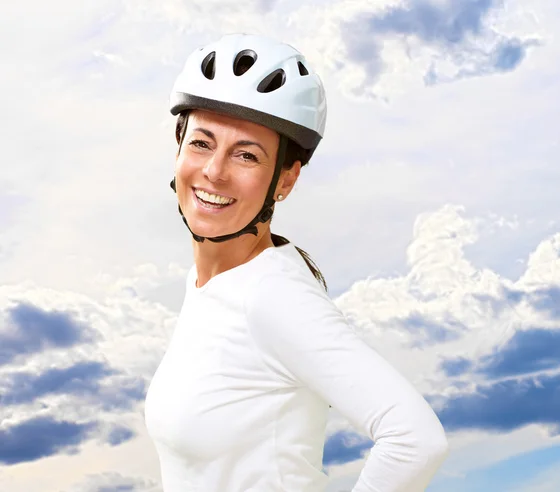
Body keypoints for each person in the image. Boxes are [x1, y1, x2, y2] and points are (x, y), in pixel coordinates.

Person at [144, 33, 449, 492]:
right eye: (203, 143)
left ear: (285, 179)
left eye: (247, 154)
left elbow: (415, 439)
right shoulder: (211, 283)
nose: (215, 171)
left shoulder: (274, 296)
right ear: (179, 147)